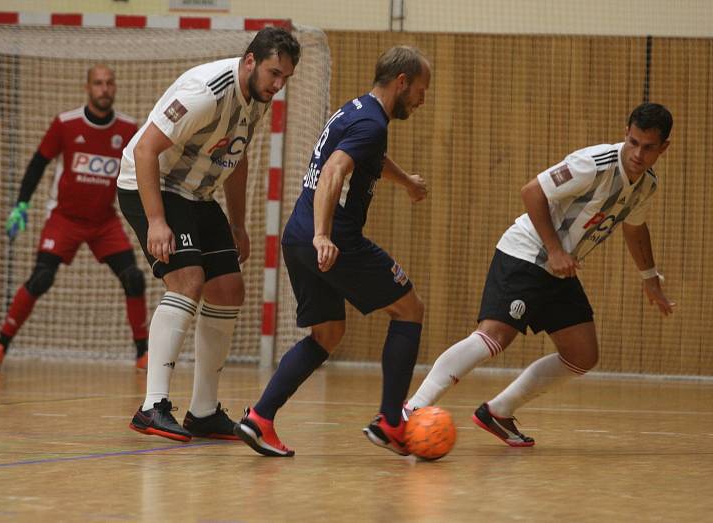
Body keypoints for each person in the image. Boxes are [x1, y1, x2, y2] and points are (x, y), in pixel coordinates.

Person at [406, 102, 675, 447]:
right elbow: (532, 191)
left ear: (663, 148)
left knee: (582, 354)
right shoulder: (593, 164)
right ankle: (410, 411)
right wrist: (555, 250)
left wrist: (650, 278)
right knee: (495, 337)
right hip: (528, 252)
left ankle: (498, 412)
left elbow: (635, 228)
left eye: (649, 147)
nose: (638, 153)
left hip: (559, 268)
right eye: (634, 142)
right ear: (626, 133)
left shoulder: (647, 185)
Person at [234, 46, 431, 457]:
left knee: (327, 333)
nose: (421, 99)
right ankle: (392, 422)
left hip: (297, 236)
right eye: (420, 89)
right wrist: (325, 236)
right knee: (410, 309)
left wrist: (406, 182)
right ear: (402, 81)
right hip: (334, 240)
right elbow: (334, 170)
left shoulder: (358, 109)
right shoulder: (372, 124)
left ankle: (260, 418)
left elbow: (366, 157)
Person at [117, 27, 301, 442]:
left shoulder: (257, 98)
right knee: (188, 281)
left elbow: (237, 159)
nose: (278, 85)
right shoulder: (206, 91)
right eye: (274, 73)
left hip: (197, 192)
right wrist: (157, 221)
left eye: (285, 78)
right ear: (250, 61)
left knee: (229, 288)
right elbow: (146, 150)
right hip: (151, 183)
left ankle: (202, 412)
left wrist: (238, 224)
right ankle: (152, 406)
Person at [0, 65, 146, 372]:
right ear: (87, 87)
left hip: (103, 222)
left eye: (109, 83)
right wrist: (21, 205)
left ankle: (143, 353)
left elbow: (141, 171)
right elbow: (37, 164)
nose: (104, 89)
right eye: (98, 83)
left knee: (133, 278)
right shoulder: (65, 124)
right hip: (65, 218)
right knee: (41, 277)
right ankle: (0, 345)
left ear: (116, 87)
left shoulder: (128, 129)